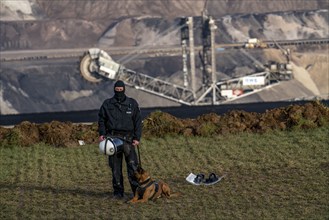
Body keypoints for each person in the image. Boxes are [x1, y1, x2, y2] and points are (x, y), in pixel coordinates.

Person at [98, 80, 142, 199]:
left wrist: (137, 137)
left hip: (129, 140)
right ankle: (118, 193)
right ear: (114, 90)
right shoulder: (107, 104)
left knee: (133, 167)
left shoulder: (132, 104)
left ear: (124, 90)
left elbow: (138, 121)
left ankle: (136, 193)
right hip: (112, 140)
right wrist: (102, 134)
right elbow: (101, 119)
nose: (119, 92)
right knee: (115, 168)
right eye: (117, 90)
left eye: (120, 90)